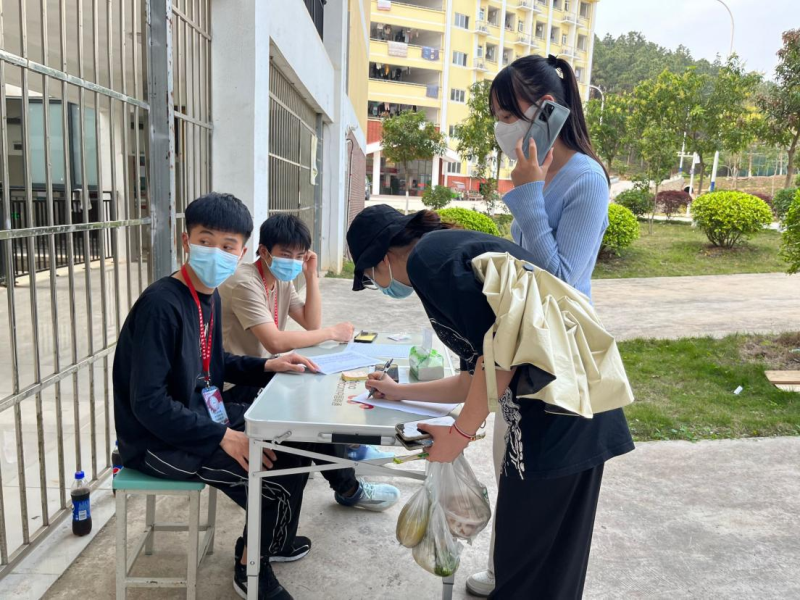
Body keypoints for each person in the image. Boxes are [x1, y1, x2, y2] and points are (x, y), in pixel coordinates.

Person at [346, 205, 634, 600]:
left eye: (368, 277)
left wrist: (458, 436)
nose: (378, 286)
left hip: (558, 417)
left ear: (380, 259)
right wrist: (400, 392)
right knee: (550, 565)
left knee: (525, 565)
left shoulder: (428, 260)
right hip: (573, 411)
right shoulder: (442, 253)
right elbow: (473, 378)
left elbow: (498, 361)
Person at [455, 53, 616, 596]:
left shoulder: (585, 178)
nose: (501, 129)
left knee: (534, 473)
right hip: (522, 345)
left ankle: (520, 574)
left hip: (561, 353)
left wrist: (527, 195)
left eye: (508, 116)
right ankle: (504, 568)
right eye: (498, 118)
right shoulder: (537, 171)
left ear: (546, 110)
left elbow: (563, 281)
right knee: (508, 459)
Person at [114, 192, 320, 600]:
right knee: (272, 481)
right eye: (206, 241)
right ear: (186, 241)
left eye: (228, 246)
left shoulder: (208, 295)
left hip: (199, 418)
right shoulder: (161, 305)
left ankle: (271, 541)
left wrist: (267, 366)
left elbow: (212, 361)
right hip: (157, 441)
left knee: (293, 447)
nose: (216, 253)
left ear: (241, 252)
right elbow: (149, 404)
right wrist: (224, 436)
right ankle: (251, 567)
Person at [218, 213, 400, 511]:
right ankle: (348, 486)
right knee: (307, 409)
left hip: (263, 371)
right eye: (286, 254)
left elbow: (310, 322)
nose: (293, 261)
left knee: (319, 384)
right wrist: (332, 332)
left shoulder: (280, 281)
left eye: (299, 255)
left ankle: (349, 450)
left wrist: (311, 275)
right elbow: (275, 342)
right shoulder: (245, 282)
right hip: (234, 382)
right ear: (264, 251)